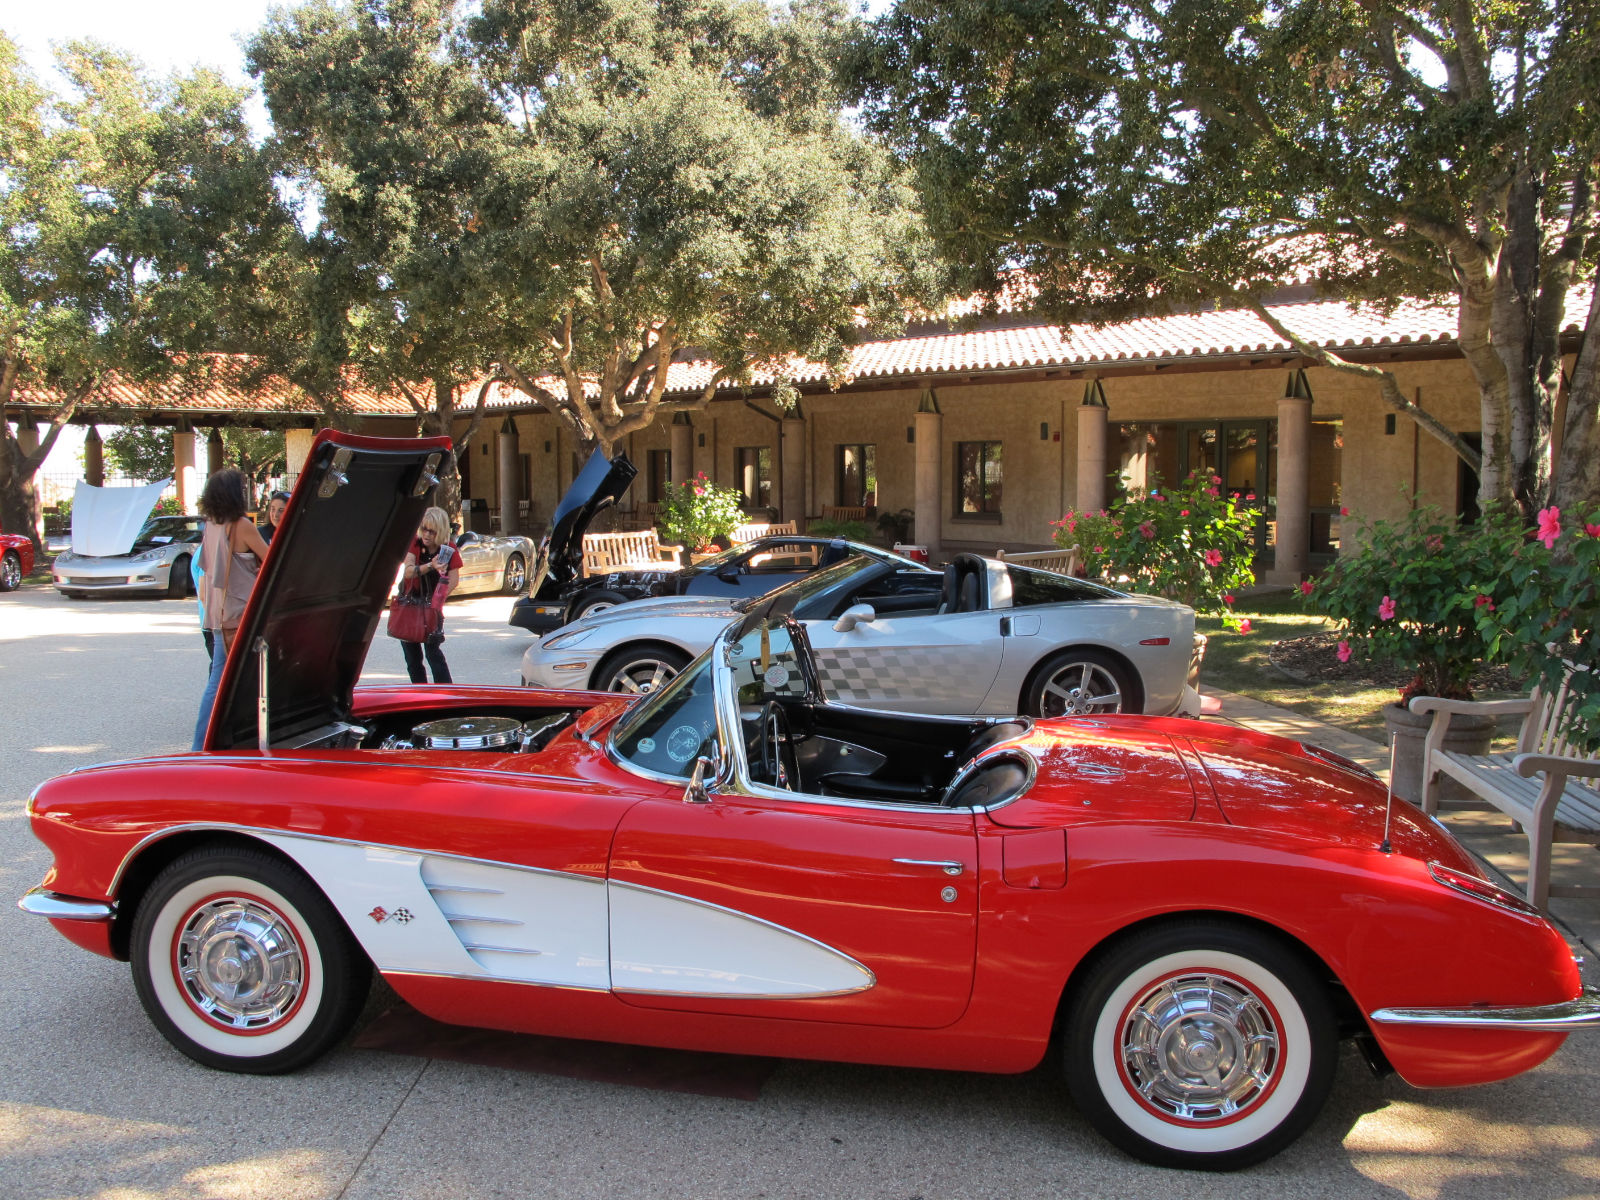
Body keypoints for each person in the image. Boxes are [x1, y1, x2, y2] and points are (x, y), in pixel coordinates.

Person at [192, 469, 271, 750]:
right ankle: (206, 744)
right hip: (242, 612)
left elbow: (203, 567)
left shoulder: (211, 524)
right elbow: (272, 558)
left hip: (218, 612)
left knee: (219, 679)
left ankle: (208, 742)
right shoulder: (241, 525)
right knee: (247, 680)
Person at [399, 505, 459, 684]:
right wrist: (430, 566)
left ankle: (446, 694)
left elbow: (454, 580)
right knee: (412, 658)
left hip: (431, 609)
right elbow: (408, 572)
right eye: (424, 529)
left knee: (433, 654)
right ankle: (420, 694)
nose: (426, 535)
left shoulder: (448, 549)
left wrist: (437, 603)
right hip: (410, 605)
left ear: (439, 531)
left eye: (431, 531)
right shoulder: (415, 544)